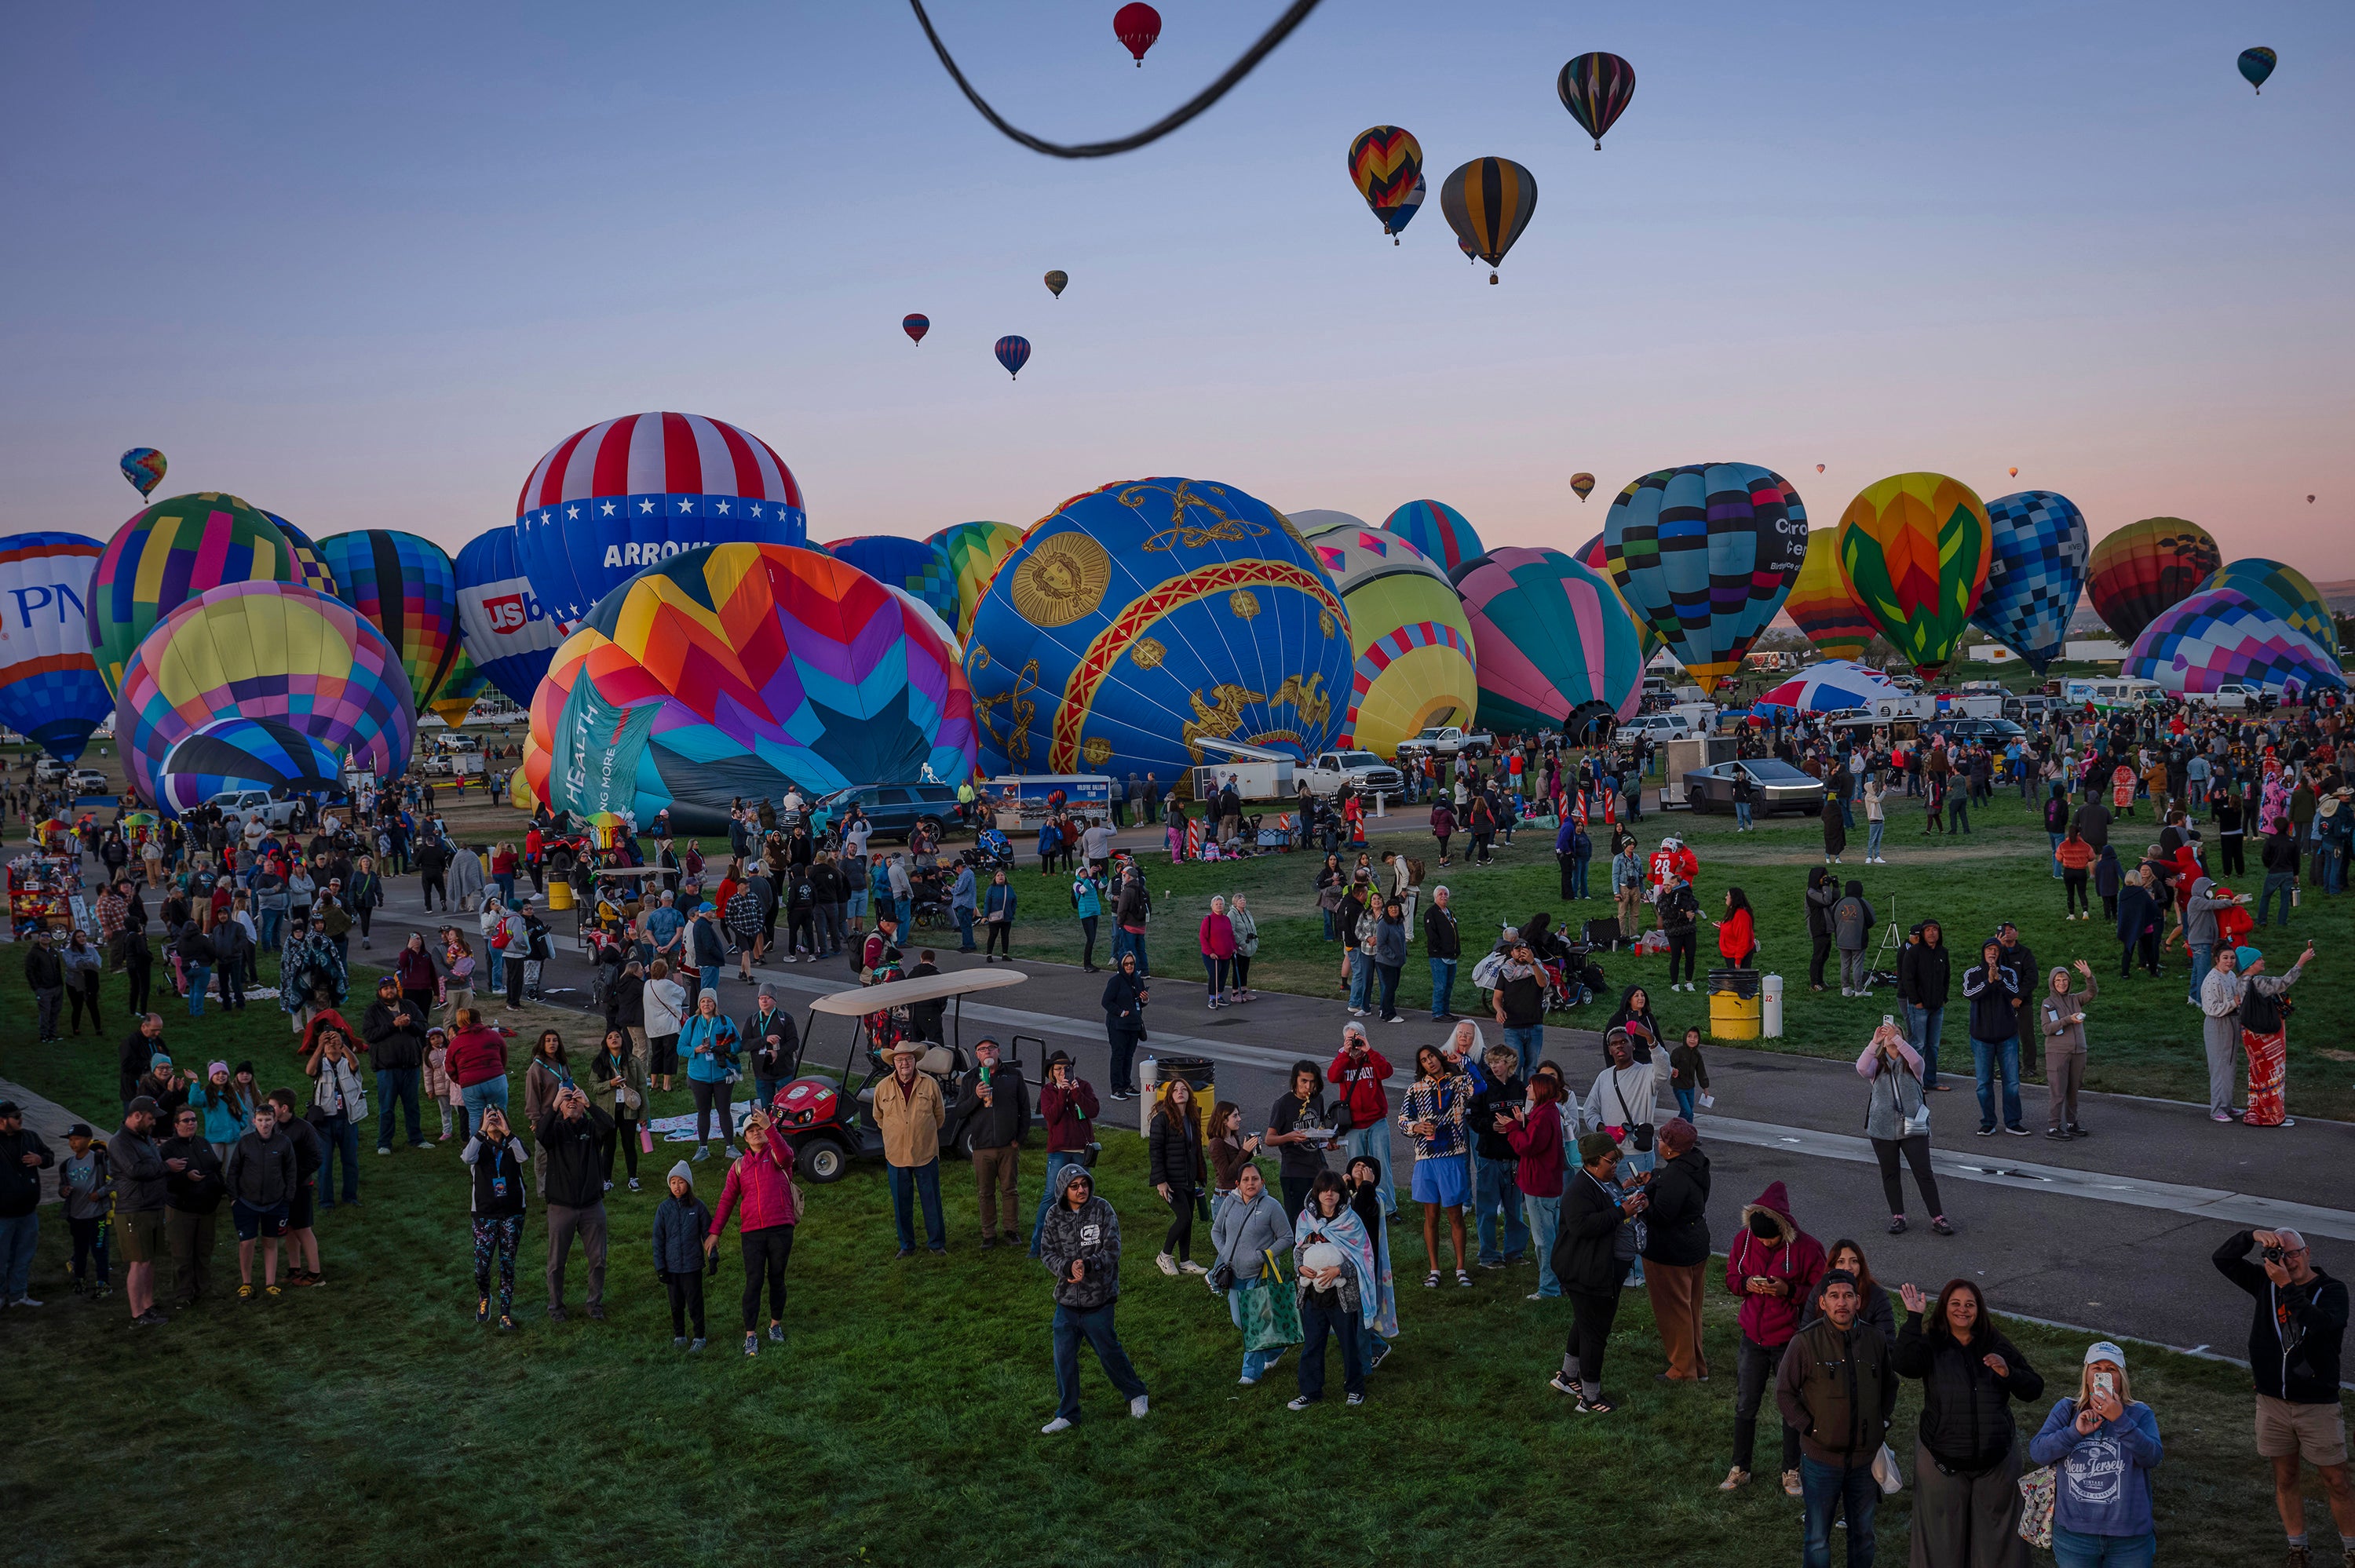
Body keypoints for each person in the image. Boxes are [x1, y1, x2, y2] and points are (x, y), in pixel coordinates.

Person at [2213, 1228, 2352, 1566]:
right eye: (2278, 1254)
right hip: (2273, 1402)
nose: (2287, 1261)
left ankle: (2352, 1549)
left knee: (2337, 1481)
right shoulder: (2266, 1283)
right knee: (2285, 1477)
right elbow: (2222, 1259)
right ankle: (2297, 1548)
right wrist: (2251, 1235)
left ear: (2307, 1252)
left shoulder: (2332, 1290)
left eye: (2292, 1253)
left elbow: (2320, 1325)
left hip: (2317, 1406)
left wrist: (2287, 1286)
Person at [1894, 1278, 2045, 1566]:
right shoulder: (1932, 1344)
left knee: (1997, 1545)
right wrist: (1914, 1318)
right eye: (1955, 1303)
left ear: (1979, 1309)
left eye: (1969, 1304)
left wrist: (2009, 1373)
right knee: (1942, 1544)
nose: (1962, 1310)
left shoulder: (1995, 1343)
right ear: (1944, 1308)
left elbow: (2034, 1388)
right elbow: (1904, 1364)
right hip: (1942, 1460)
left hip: (1995, 1461)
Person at [1776, 1268, 1897, 1568]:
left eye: (1848, 1296)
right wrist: (1810, 1428)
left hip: (1864, 1462)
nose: (1841, 1302)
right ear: (1822, 1302)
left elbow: (1890, 1384)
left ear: (1858, 1301)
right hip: (1821, 1461)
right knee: (1817, 1538)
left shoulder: (1875, 1339)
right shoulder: (1805, 1342)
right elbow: (1784, 1392)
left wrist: (1880, 1421)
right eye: (1834, 1296)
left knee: (1863, 1535)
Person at [1722, 1180, 1827, 1495]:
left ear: (1784, 1230)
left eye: (1771, 1239)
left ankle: (1792, 1470)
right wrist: (1746, 1284)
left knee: (1792, 1408)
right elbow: (1731, 1277)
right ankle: (1740, 1468)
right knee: (1745, 1406)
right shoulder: (1744, 1240)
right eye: (1760, 1239)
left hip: (1790, 1341)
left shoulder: (1809, 1249)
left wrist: (1788, 1290)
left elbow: (1820, 1296)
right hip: (1752, 1338)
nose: (1765, 1244)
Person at [2028, 1341, 2164, 1568]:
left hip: (2129, 1537)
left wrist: (2120, 1420)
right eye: (2097, 1369)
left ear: (2121, 1377)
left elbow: (2152, 1457)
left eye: (2111, 1370)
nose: (2103, 1375)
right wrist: (2074, 1432)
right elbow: (2038, 1453)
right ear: (2087, 1375)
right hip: (2074, 1535)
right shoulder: (2067, 1409)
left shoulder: (2139, 1413)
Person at [1038, 1164, 1148, 1433]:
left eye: (1084, 1184)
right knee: (1063, 1357)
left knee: (1109, 1351)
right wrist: (1067, 1268)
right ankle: (1067, 1413)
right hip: (1066, 1302)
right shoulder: (1053, 1215)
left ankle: (1136, 1393)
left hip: (1099, 1299)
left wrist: (1087, 1266)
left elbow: (1113, 1249)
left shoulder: (1102, 1209)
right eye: (1074, 1186)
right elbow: (1047, 1252)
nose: (1081, 1190)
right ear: (1063, 1190)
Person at [1548, 1131, 1643, 1413]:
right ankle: (1590, 1398)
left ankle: (1568, 1376)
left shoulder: (1603, 1181)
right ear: (1592, 1161)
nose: (1615, 1166)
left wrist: (1629, 1197)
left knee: (1584, 1322)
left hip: (1596, 1267)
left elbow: (1609, 1203)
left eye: (1617, 1160)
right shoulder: (1578, 1191)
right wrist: (1622, 1212)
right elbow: (1583, 1226)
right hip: (1584, 1271)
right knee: (1595, 1332)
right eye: (1611, 1161)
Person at [706, 1107, 799, 1355]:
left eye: (760, 1129)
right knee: (754, 1281)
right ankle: (750, 1335)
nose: (756, 1132)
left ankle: (775, 1325)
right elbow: (727, 1199)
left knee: (777, 1278)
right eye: (751, 1130)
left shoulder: (778, 1154)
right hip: (752, 1232)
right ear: (745, 1137)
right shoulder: (739, 1166)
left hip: (780, 1227)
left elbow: (787, 1156)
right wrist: (715, 1232)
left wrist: (770, 1127)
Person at [1287, 1172, 1381, 1409]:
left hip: (1343, 1296)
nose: (1329, 1194)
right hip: (1313, 1294)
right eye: (1324, 1190)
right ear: (1317, 1193)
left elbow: (1363, 1257)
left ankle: (1355, 1389)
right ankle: (1310, 1392)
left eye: (1334, 1190)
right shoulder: (1305, 1219)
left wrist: (1339, 1270)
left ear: (1341, 1193)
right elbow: (1299, 1249)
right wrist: (1300, 1267)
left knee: (1349, 1343)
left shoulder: (1351, 1221)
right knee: (1312, 1344)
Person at [1858, 1016, 1952, 1236]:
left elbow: (1917, 1060)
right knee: (1890, 1174)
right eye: (1888, 1034)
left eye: (1896, 1033)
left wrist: (1898, 1041)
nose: (1891, 1036)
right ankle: (1898, 1217)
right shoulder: (1877, 1065)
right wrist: (1874, 1042)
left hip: (1913, 1127)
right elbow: (1861, 1068)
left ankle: (1938, 1217)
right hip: (1882, 1128)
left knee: (1924, 1173)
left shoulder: (1912, 1065)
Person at [1208, 1163, 1295, 1384]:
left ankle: (1250, 1373)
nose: (1251, 1183)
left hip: (1259, 1273)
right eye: (1246, 1180)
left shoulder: (1271, 1206)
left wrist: (1264, 1255)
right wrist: (1225, 1252)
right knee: (1240, 1320)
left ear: (1262, 1181)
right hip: (1234, 1273)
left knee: (1252, 1321)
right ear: (1238, 1184)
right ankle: (1275, 1350)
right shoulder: (1230, 1202)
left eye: (1255, 1179)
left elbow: (1287, 1237)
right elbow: (1216, 1231)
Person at [1397, 1044, 1471, 1287]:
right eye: (1424, 1060)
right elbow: (1402, 1120)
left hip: (1453, 1154)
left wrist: (1463, 1062)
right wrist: (1416, 1127)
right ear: (1421, 1066)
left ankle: (1461, 1268)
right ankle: (1434, 1270)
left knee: (1455, 1215)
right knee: (1431, 1216)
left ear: (1439, 1057)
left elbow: (1480, 1086)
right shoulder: (1415, 1089)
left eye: (1431, 1056)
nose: (1429, 1062)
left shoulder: (1458, 1083)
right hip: (1426, 1157)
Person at [538, 1083, 613, 1321]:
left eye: (576, 1099)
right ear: (560, 1107)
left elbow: (609, 1126)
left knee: (598, 1259)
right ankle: (556, 1307)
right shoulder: (555, 1131)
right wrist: (553, 1106)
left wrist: (589, 1104)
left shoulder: (591, 1129)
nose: (572, 1102)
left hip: (592, 1205)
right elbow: (540, 1134)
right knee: (556, 1262)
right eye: (567, 1099)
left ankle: (594, 1305)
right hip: (561, 1206)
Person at [874, 1037, 947, 1256]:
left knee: (931, 1201)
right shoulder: (882, 1087)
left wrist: (921, 1132)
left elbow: (939, 1116)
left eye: (908, 1059)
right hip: (896, 1155)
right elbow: (878, 1117)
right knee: (901, 1203)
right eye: (900, 1060)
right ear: (893, 1063)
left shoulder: (930, 1084)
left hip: (925, 1153)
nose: (904, 1063)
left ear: (915, 1061)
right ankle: (907, 1245)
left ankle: (936, 1244)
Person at [955, 1037, 1028, 1248]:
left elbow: (1025, 1108)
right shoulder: (970, 1079)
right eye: (982, 1049)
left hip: (1008, 1145)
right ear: (977, 1055)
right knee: (985, 1193)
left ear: (998, 1052)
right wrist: (976, 1096)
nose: (987, 1052)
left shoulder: (1013, 1075)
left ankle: (1011, 1231)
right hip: (982, 1147)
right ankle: (989, 1234)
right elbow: (960, 1111)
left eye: (991, 1048)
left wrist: (1019, 1138)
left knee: (1010, 1190)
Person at [461, 1103, 528, 1330]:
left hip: (512, 1213)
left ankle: (505, 1313)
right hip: (484, 1214)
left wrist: (507, 1132)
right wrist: (482, 1131)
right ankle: (484, 1296)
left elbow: (523, 1157)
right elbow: (467, 1158)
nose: (493, 1120)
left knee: (507, 1264)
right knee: (481, 1267)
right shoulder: (478, 1145)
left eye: (497, 1116)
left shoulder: (512, 1143)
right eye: (489, 1117)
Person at [222, 1100, 296, 1300]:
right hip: (246, 1202)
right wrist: (234, 1198)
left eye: (268, 1120)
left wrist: (287, 1198)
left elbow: (291, 1171)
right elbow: (233, 1170)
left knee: (270, 1242)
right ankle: (246, 1283)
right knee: (247, 1243)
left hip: (276, 1202)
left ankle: (270, 1284)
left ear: (274, 1121)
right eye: (261, 1120)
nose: (265, 1124)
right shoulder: (245, 1143)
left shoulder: (283, 1143)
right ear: (254, 1121)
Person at [2239, 942, 2317, 1129]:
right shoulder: (2258, 982)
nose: (2263, 961)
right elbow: (2284, 982)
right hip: (2266, 1036)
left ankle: (2256, 1113)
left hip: (2249, 1033)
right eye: (2259, 959)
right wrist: (2301, 962)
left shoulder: (2238, 981)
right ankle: (2272, 1116)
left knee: (2257, 1074)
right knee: (2272, 1075)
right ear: (2250, 964)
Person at [1466, 1041, 1529, 1271]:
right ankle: (1488, 1255)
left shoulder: (1520, 1088)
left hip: (1514, 1158)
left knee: (1515, 1210)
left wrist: (1518, 1124)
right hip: (1489, 1158)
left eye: (1499, 1062)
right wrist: (1491, 1125)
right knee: (1487, 1209)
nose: (1494, 1066)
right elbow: (1471, 1118)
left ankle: (1515, 1252)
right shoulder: (1482, 1087)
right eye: (1491, 1062)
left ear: (1510, 1063)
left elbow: (1530, 1118)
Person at [1031, 1051, 1100, 1255]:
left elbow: (1093, 1111)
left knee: (1081, 1195)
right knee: (1051, 1195)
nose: (1063, 1072)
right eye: (1058, 1069)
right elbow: (1051, 1117)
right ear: (1052, 1073)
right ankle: (1037, 1246)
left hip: (1081, 1150)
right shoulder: (1048, 1091)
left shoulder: (1083, 1086)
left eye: (1066, 1068)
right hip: (1059, 1151)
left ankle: (1081, 1243)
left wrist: (1076, 1093)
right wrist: (1062, 1094)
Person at [110, 1097, 171, 1326]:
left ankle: (148, 1305)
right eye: (150, 1117)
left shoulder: (144, 1139)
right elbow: (134, 1170)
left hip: (152, 1205)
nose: (154, 1122)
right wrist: (166, 1167)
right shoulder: (119, 1142)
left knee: (150, 1260)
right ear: (137, 1115)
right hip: (134, 1210)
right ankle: (138, 1314)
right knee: (139, 1261)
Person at [158, 1103, 225, 1308]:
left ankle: (204, 1288)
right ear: (176, 1124)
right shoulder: (168, 1149)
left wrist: (222, 1190)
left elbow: (216, 1169)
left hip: (206, 1208)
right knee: (182, 1253)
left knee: (204, 1251)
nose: (191, 1123)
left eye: (194, 1120)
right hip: (181, 1209)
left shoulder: (203, 1143)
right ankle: (183, 1293)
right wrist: (186, 1177)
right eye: (186, 1120)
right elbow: (164, 1181)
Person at [1327, 1025, 1397, 1217]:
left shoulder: (1372, 1057)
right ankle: (1359, 1207)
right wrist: (1345, 1053)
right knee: (1356, 1169)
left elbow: (1386, 1072)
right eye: (1351, 1038)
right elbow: (1333, 1076)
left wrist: (1369, 1050)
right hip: (1353, 1125)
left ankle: (1388, 1209)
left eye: (1358, 1037)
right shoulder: (1343, 1059)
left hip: (1377, 1122)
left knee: (1381, 1167)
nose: (1355, 1042)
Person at [1963, 939, 2028, 1137]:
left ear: (2000, 954)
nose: (1992, 953)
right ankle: (1988, 1122)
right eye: (1989, 949)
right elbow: (1969, 993)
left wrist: (1998, 979)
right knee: (1983, 1084)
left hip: (2007, 1036)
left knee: (2012, 1083)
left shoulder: (2009, 973)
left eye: (1996, 950)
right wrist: (1989, 981)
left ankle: (2013, 1122)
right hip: (1981, 1037)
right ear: (1983, 952)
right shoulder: (1972, 973)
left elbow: (2014, 992)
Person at [360, 974, 431, 1156]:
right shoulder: (373, 1011)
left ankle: (417, 1139)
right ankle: (384, 1143)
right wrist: (393, 1024)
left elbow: (423, 1027)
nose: (389, 991)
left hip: (411, 1065)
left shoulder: (409, 1006)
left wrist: (409, 1024)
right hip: (387, 1067)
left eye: (392, 987)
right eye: (385, 988)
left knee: (412, 1106)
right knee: (386, 1108)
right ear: (380, 992)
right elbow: (369, 1035)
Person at [303, 1026, 367, 1209]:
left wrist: (342, 1045)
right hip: (324, 1122)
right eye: (328, 1043)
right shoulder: (320, 1064)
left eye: (335, 1042)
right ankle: (326, 1202)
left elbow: (355, 1065)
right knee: (325, 1164)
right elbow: (309, 1071)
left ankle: (350, 1197)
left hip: (348, 1119)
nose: (332, 1045)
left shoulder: (347, 1062)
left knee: (350, 1161)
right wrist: (319, 1046)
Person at [651, 1160, 713, 1351]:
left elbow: (708, 1235)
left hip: (692, 1266)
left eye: (681, 1182)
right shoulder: (664, 1209)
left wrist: (713, 1257)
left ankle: (699, 1337)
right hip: (672, 1267)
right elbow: (658, 1239)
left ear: (689, 1184)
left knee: (695, 1303)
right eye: (673, 1182)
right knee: (676, 1304)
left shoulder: (698, 1207)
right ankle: (680, 1335)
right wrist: (660, 1267)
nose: (677, 1186)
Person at [0, 1100, 54, 1306]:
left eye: (20, 1115)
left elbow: (49, 1156)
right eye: (16, 1117)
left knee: (24, 1255)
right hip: (3, 1214)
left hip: (28, 1212)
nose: (21, 1119)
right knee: (1, 1257)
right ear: (2, 1121)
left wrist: (41, 1159)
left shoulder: (30, 1137)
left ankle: (18, 1294)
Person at [1265, 1059, 1332, 1222]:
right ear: (1295, 1080)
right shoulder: (1283, 1104)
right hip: (1294, 1172)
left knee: (1321, 1216)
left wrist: (1327, 1141)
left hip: (1318, 1168)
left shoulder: (1317, 1099)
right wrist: (1289, 1136)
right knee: (1298, 1219)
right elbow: (1269, 1139)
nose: (1308, 1087)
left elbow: (1319, 1128)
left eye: (1312, 1082)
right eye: (1304, 1081)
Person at [2039, 961, 2098, 1140]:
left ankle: (2072, 1124)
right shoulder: (2048, 1003)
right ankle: (2053, 1127)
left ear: (2069, 981)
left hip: (2079, 1051)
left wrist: (2089, 977)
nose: (2062, 983)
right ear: (2052, 983)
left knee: (2074, 1090)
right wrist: (2068, 1020)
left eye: (2065, 980)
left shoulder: (2075, 999)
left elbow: (2092, 993)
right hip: (2057, 1052)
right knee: (2058, 1091)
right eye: (2058, 980)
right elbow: (2047, 1029)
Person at [679, 990, 741, 1161]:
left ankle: (730, 1147)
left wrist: (725, 1048)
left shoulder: (725, 1021)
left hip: (723, 1076)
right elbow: (680, 1047)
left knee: (724, 1111)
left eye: (710, 1001)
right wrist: (695, 1050)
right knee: (703, 1111)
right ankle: (703, 1148)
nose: (706, 1004)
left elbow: (738, 1044)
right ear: (699, 1004)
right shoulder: (692, 1023)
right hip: (699, 1077)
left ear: (715, 1004)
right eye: (703, 1001)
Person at [57, 1120, 112, 1299]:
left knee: (99, 1249)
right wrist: (63, 1191)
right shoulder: (66, 1165)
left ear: (89, 1139)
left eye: (77, 1139)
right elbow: (62, 1187)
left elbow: (117, 1180)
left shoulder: (99, 1159)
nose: (73, 1143)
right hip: (76, 1216)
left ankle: (103, 1283)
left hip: (97, 1215)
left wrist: (100, 1193)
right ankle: (79, 1281)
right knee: (79, 1250)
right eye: (71, 1140)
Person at [1898, 918, 1953, 1092]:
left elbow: (1946, 977)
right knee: (1918, 1045)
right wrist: (1917, 1001)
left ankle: (1930, 1080)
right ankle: (1912, 1082)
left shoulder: (1943, 952)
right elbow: (1907, 978)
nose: (1931, 933)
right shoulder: (1914, 952)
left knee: (1933, 1046)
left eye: (1935, 929)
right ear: (1922, 933)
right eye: (1928, 930)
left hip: (1937, 1007)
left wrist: (1943, 998)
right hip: (1919, 1007)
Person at [1099, 951, 1148, 1103]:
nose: (1129, 966)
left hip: (1134, 1024)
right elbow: (1106, 1002)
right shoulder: (1116, 981)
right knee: (1118, 1056)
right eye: (1126, 964)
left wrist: (1145, 1000)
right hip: (1118, 1025)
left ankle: (1126, 1085)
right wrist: (1120, 1012)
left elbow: (1139, 1002)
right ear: (1121, 965)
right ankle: (1116, 1088)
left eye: (1131, 963)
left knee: (1129, 1055)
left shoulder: (1137, 979)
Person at [644, 957, 686, 1095]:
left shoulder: (647, 985)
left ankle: (654, 1083)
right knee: (669, 1054)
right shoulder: (667, 984)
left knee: (656, 1054)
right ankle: (667, 1085)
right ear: (665, 971)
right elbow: (682, 994)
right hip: (668, 1026)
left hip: (653, 1026)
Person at [1832, 879, 1874, 997]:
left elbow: (1832, 919)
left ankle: (1845, 988)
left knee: (1845, 964)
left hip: (1842, 939)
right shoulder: (1862, 902)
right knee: (1857, 964)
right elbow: (1871, 920)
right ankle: (1859, 989)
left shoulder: (1839, 902)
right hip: (1858, 939)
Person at [1198, 894, 1235, 1008]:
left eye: (1221, 904)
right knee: (1215, 974)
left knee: (1223, 975)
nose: (1219, 906)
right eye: (1217, 904)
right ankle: (1212, 998)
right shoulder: (1208, 920)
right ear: (1212, 906)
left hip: (1226, 954)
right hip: (1212, 955)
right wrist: (1210, 952)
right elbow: (1203, 937)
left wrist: (1233, 947)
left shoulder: (1226, 919)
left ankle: (1219, 996)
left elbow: (1231, 935)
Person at [1716, 885, 1757, 969]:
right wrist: (1722, 926)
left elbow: (1743, 939)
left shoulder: (1741, 915)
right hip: (1731, 953)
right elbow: (1734, 928)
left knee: (1738, 977)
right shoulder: (1733, 911)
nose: (1725, 897)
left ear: (1734, 899)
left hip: (1736, 955)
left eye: (1728, 895)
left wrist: (1738, 959)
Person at [981, 866, 1017, 962]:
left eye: (1002, 875)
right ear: (995, 878)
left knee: (1005, 935)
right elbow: (987, 903)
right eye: (998, 875)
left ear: (1005, 878)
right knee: (993, 935)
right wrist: (985, 916)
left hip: (1007, 917)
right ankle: (989, 955)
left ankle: (1005, 954)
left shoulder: (1009, 888)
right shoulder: (991, 889)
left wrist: (1012, 911)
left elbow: (1014, 900)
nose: (1000, 877)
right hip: (994, 917)